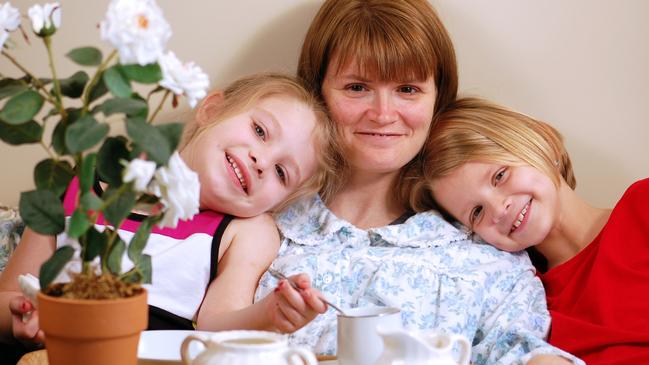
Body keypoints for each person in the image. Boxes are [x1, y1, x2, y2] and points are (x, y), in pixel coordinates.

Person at [252, 1, 580, 364]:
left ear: (438, 96)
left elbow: (523, 349)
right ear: (319, 91)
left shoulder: (485, 241)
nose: (382, 114)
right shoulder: (262, 222)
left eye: (407, 89)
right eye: (357, 87)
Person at [0, 73, 335, 351]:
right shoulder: (78, 184)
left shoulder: (245, 231)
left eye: (281, 172)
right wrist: (24, 312)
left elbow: (215, 325)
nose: (262, 162)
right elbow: (9, 295)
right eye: (260, 131)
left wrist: (269, 314)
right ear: (212, 109)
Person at [422, 96, 649, 364]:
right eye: (477, 212)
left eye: (500, 176)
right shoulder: (523, 305)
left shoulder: (642, 205)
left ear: (542, 144)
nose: (498, 208)